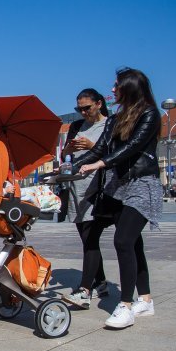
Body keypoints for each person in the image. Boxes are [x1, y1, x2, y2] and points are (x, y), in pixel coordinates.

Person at [75, 67, 162, 329]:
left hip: (143, 184)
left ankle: (125, 305)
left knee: (123, 240)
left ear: (130, 87)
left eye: (116, 85)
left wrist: (100, 164)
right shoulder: (116, 118)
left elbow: (133, 146)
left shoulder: (149, 114)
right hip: (120, 186)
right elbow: (101, 148)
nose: (112, 89)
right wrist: (69, 168)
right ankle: (145, 299)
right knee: (133, 243)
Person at [60, 88, 111, 310]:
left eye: (86, 108)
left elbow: (115, 152)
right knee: (86, 239)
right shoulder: (76, 126)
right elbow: (65, 156)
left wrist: (93, 147)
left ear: (99, 104)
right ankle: (100, 282)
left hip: (96, 188)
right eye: (79, 109)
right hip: (76, 189)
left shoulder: (109, 125)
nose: (83, 112)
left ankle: (85, 290)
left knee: (90, 239)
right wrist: (68, 149)